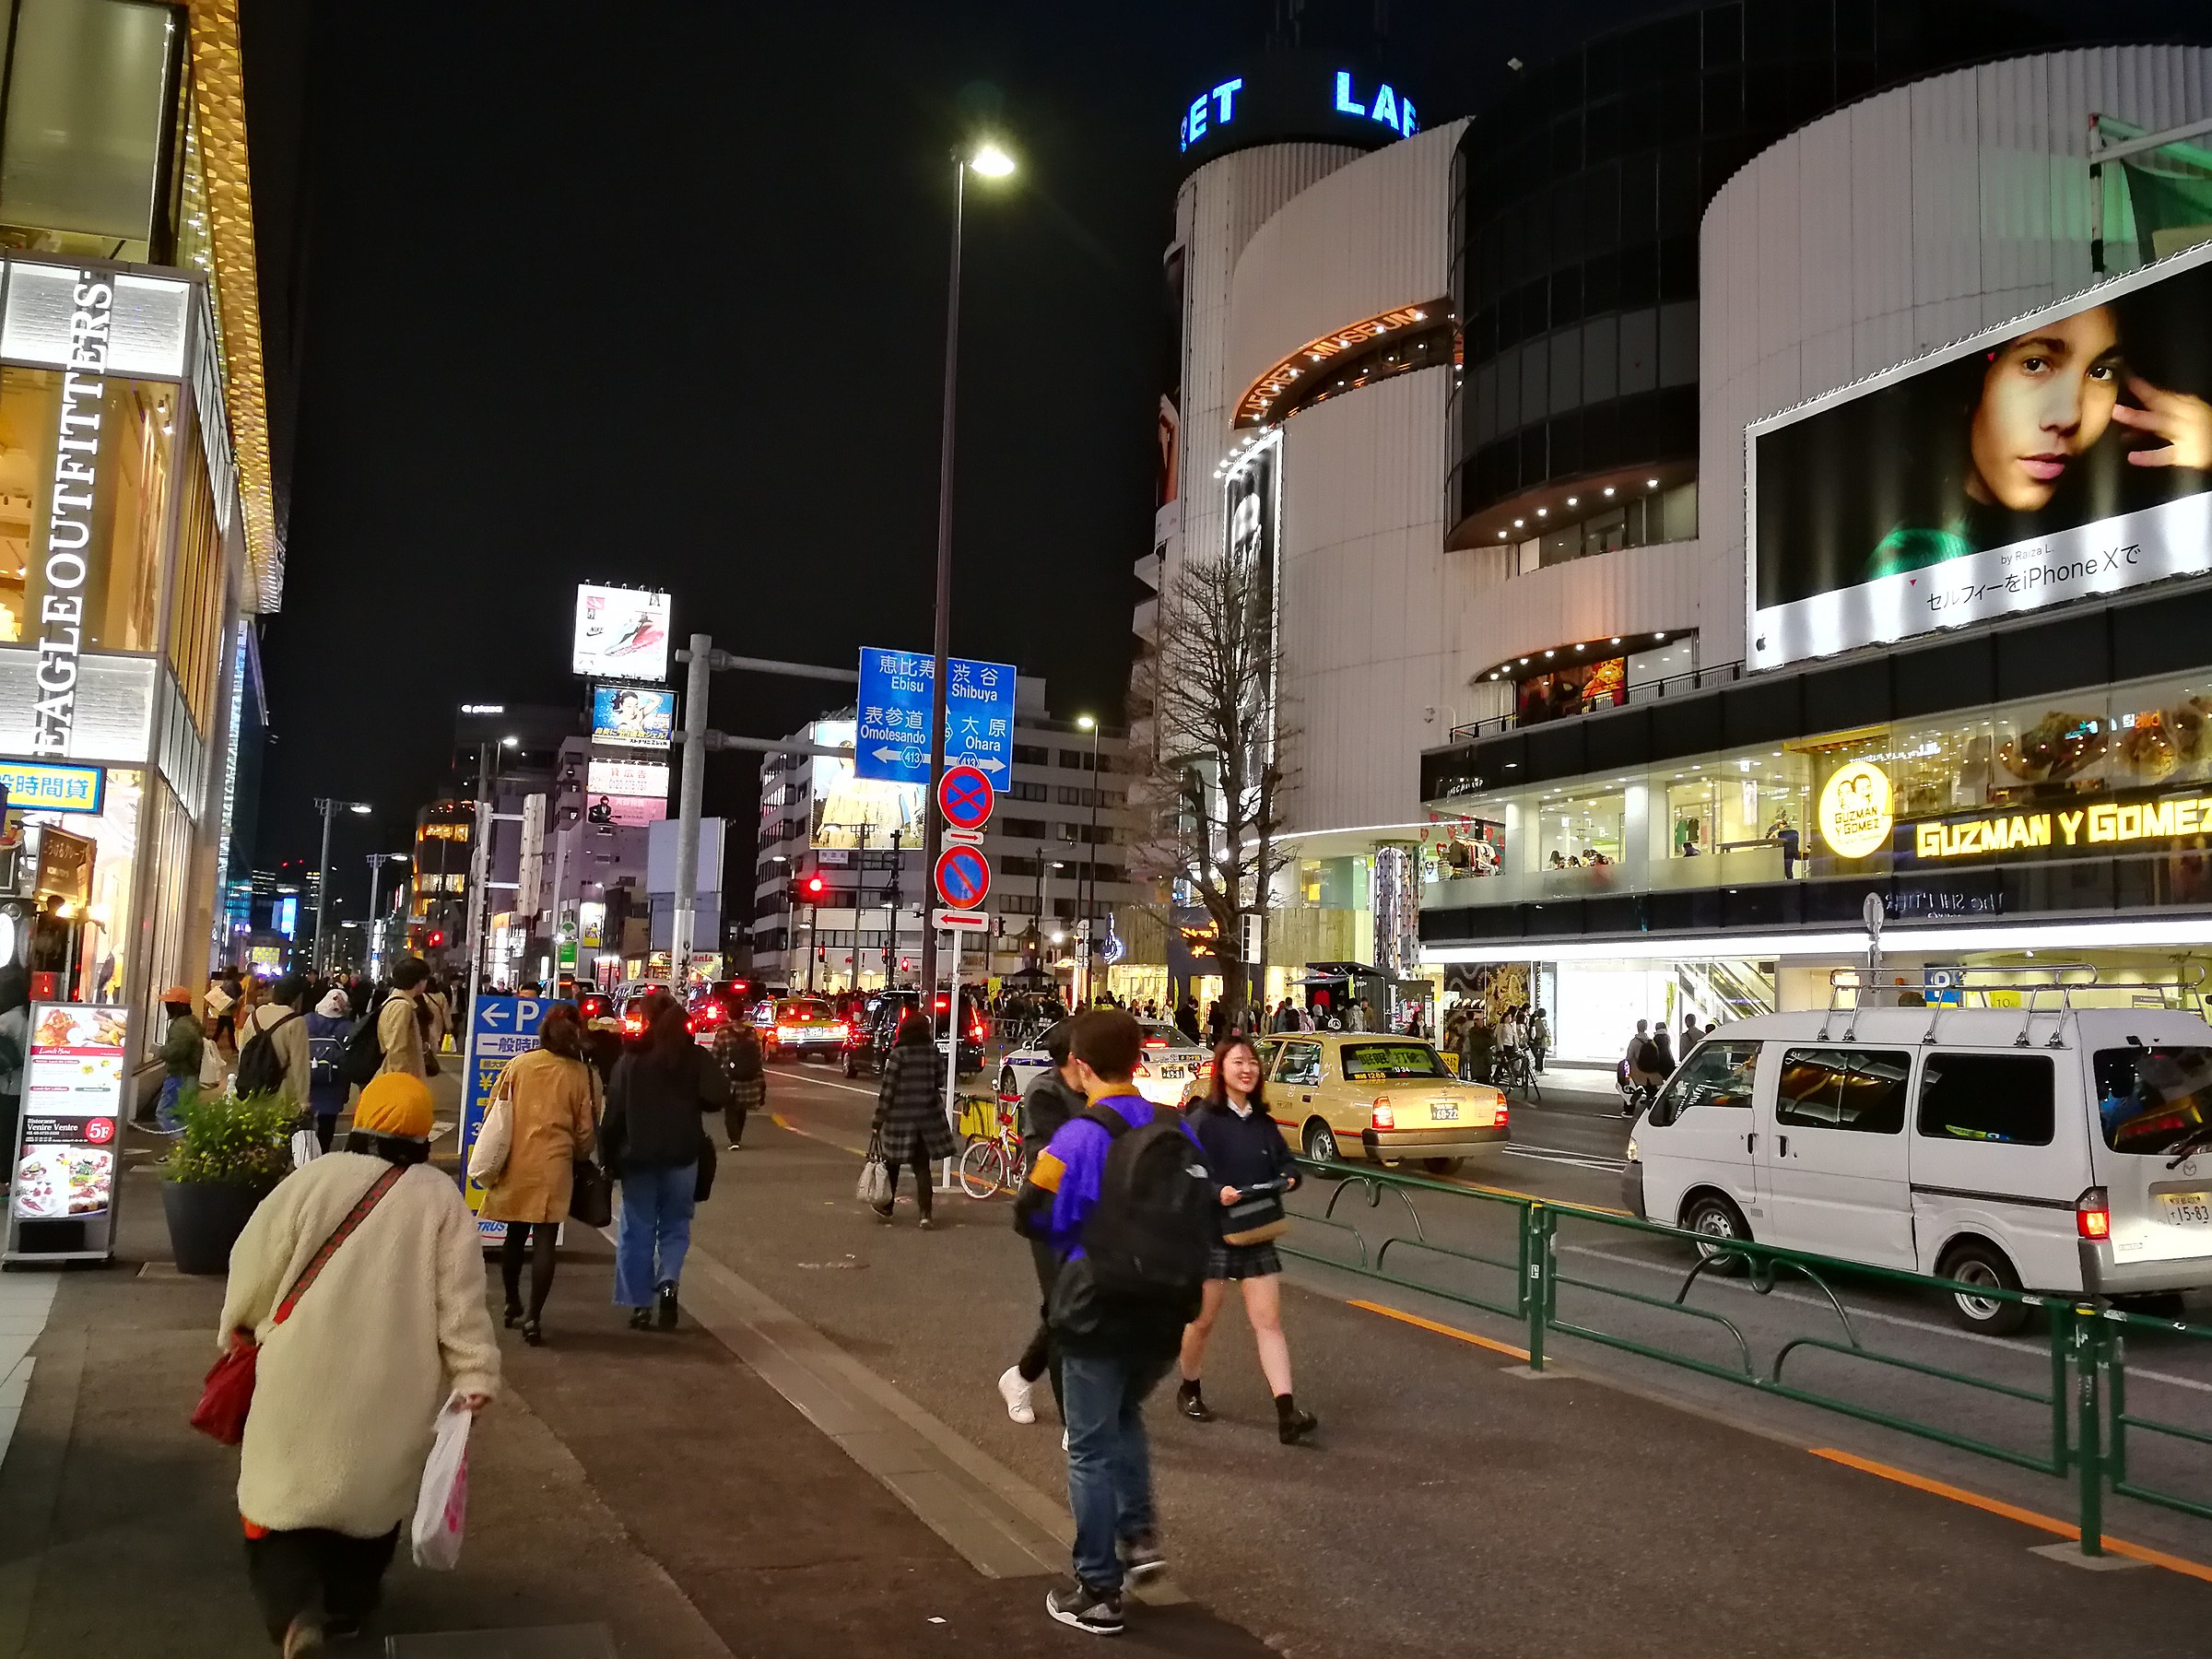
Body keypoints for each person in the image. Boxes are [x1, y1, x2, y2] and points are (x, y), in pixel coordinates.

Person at [218, 1072, 498, 1654]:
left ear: (363, 1116)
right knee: (367, 1504)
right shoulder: (440, 1200)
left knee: (279, 1498)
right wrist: (474, 1373)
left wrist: (239, 1323)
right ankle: (347, 1610)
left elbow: (254, 1258)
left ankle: (294, 1615)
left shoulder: (313, 1179)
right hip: (392, 1383)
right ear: (423, 1129)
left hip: (298, 1363)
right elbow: (461, 1301)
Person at [1015, 1010, 1201, 1636]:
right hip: (1166, 1312)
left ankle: (1098, 1589)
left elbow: (1031, 1211)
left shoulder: (1075, 1137)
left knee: (1089, 1447)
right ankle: (1141, 1539)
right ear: (1141, 1059)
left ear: (1083, 1067)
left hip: (1096, 1309)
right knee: (1126, 1416)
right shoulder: (1177, 1128)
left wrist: (1077, 1236)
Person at [1175, 1036, 1316, 1444]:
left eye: (1252, 1062)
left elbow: (1286, 1160)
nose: (1247, 1069)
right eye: (1238, 1062)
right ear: (1221, 1070)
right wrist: (1214, 1190)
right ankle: (1190, 1386)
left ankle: (1286, 1412)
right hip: (1213, 1231)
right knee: (1203, 1320)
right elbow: (1186, 1168)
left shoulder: (1263, 1122)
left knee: (1269, 1323)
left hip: (1256, 1227)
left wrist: (1291, 1176)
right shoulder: (1203, 1118)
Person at [600, 990, 728, 1330]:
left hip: (637, 1155)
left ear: (646, 1018)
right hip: (683, 1154)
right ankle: (669, 1282)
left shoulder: (632, 1058)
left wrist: (607, 1156)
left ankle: (639, 1304)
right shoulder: (693, 1056)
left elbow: (613, 1114)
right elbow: (717, 1095)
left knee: (636, 1229)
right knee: (675, 1226)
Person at [480, 1003, 599, 1346]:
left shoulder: (519, 1064)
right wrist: (578, 1155)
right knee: (545, 1238)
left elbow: (494, 1110)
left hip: (516, 1159)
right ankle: (534, 1317)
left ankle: (511, 1302)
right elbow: (586, 1131)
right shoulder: (583, 1075)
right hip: (555, 1163)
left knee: (515, 1235)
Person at [997, 1019, 1085, 1428]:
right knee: (1065, 1310)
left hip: (1087, 1213)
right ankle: (1074, 1421)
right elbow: (1048, 1156)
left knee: (1066, 1310)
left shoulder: (1092, 1089)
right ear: (1073, 1056)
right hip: (1049, 1215)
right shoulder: (1045, 1092)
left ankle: (1019, 1377)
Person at [869, 1010, 954, 1227]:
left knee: (892, 1164)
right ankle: (925, 1214)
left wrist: (878, 1120)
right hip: (926, 1118)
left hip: (900, 1118)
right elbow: (939, 1080)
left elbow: (887, 1090)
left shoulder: (899, 1055)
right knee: (922, 1167)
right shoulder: (932, 1052)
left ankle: (887, 1207)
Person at [239, 976, 312, 1119]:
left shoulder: (254, 1015)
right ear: (297, 997)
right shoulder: (296, 1021)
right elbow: (300, 1065)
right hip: (282, 1094)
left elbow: (243, 1052)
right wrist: (304, 1102)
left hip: (254, 1089)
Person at [302, 987, 351, 1151]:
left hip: (307, 1077)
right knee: (327, 1122)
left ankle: (304, 1153)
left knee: (304, 1119)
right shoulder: (347, 1026)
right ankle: (323, 1151)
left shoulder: (307, 1020)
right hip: (334, 1082)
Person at [711, 1014, 765, 1151]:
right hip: (749, 1078)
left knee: (730, 1109)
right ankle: (738, 1136)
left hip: (729, 1078)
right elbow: (758, 1056)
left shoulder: (723, 1033)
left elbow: (715, 1055)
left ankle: (734, 1139)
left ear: (729, 1014)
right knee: (742, 1109)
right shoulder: (752, 1033)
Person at [155, 985, 206, 1134]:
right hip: (189, 1076)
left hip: (179, 1076)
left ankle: (179, 1144)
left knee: (165, 1113)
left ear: (177, 1006)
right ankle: (183, 1149)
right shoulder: (192, 1022)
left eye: (168, 1004)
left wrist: (160, 1050)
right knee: (184, 1115)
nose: (166, 1007)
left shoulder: (181, 1026)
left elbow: (176, 1051)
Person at [377, 958, 429, 1078]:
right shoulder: (402, 1006)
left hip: (395, 1074)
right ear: (418, 981)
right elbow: (397, 1048)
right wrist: (401, 1080)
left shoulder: (394, 1002)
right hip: (400, 1077)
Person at [0, 967, 24, 1174]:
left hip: (7, 1086)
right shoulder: (28, 1015)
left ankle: (4, 1180)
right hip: (26, 1087)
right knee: (16, 1135)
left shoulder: (6, 1020)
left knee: (5, 1136)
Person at [1529, 1006, 1551, 1074]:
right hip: (1541, 1039)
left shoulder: (1537, 1021)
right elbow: (1544, 1031)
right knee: (1541, 1055)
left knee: (1539, 1055)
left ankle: (1538, 1069)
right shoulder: (1541, 1022)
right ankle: (1540, 1069)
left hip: (1538, 1038)